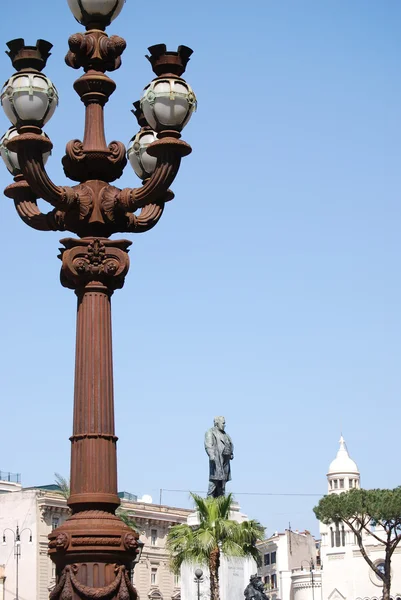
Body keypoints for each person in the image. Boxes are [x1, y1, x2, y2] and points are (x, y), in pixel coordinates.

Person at [204, 416, 234, 497]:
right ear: (217, 423)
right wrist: (211, 455)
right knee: (214, 480)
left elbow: (230, 444)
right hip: (217, 459)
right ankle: (210, 498)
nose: (224, 425)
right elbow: (208, 445)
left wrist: (231, 453)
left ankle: (221, 498)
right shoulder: (210, 432)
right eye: (223, 423)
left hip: (225, 461)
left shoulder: (225, 435)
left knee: (222, 481)